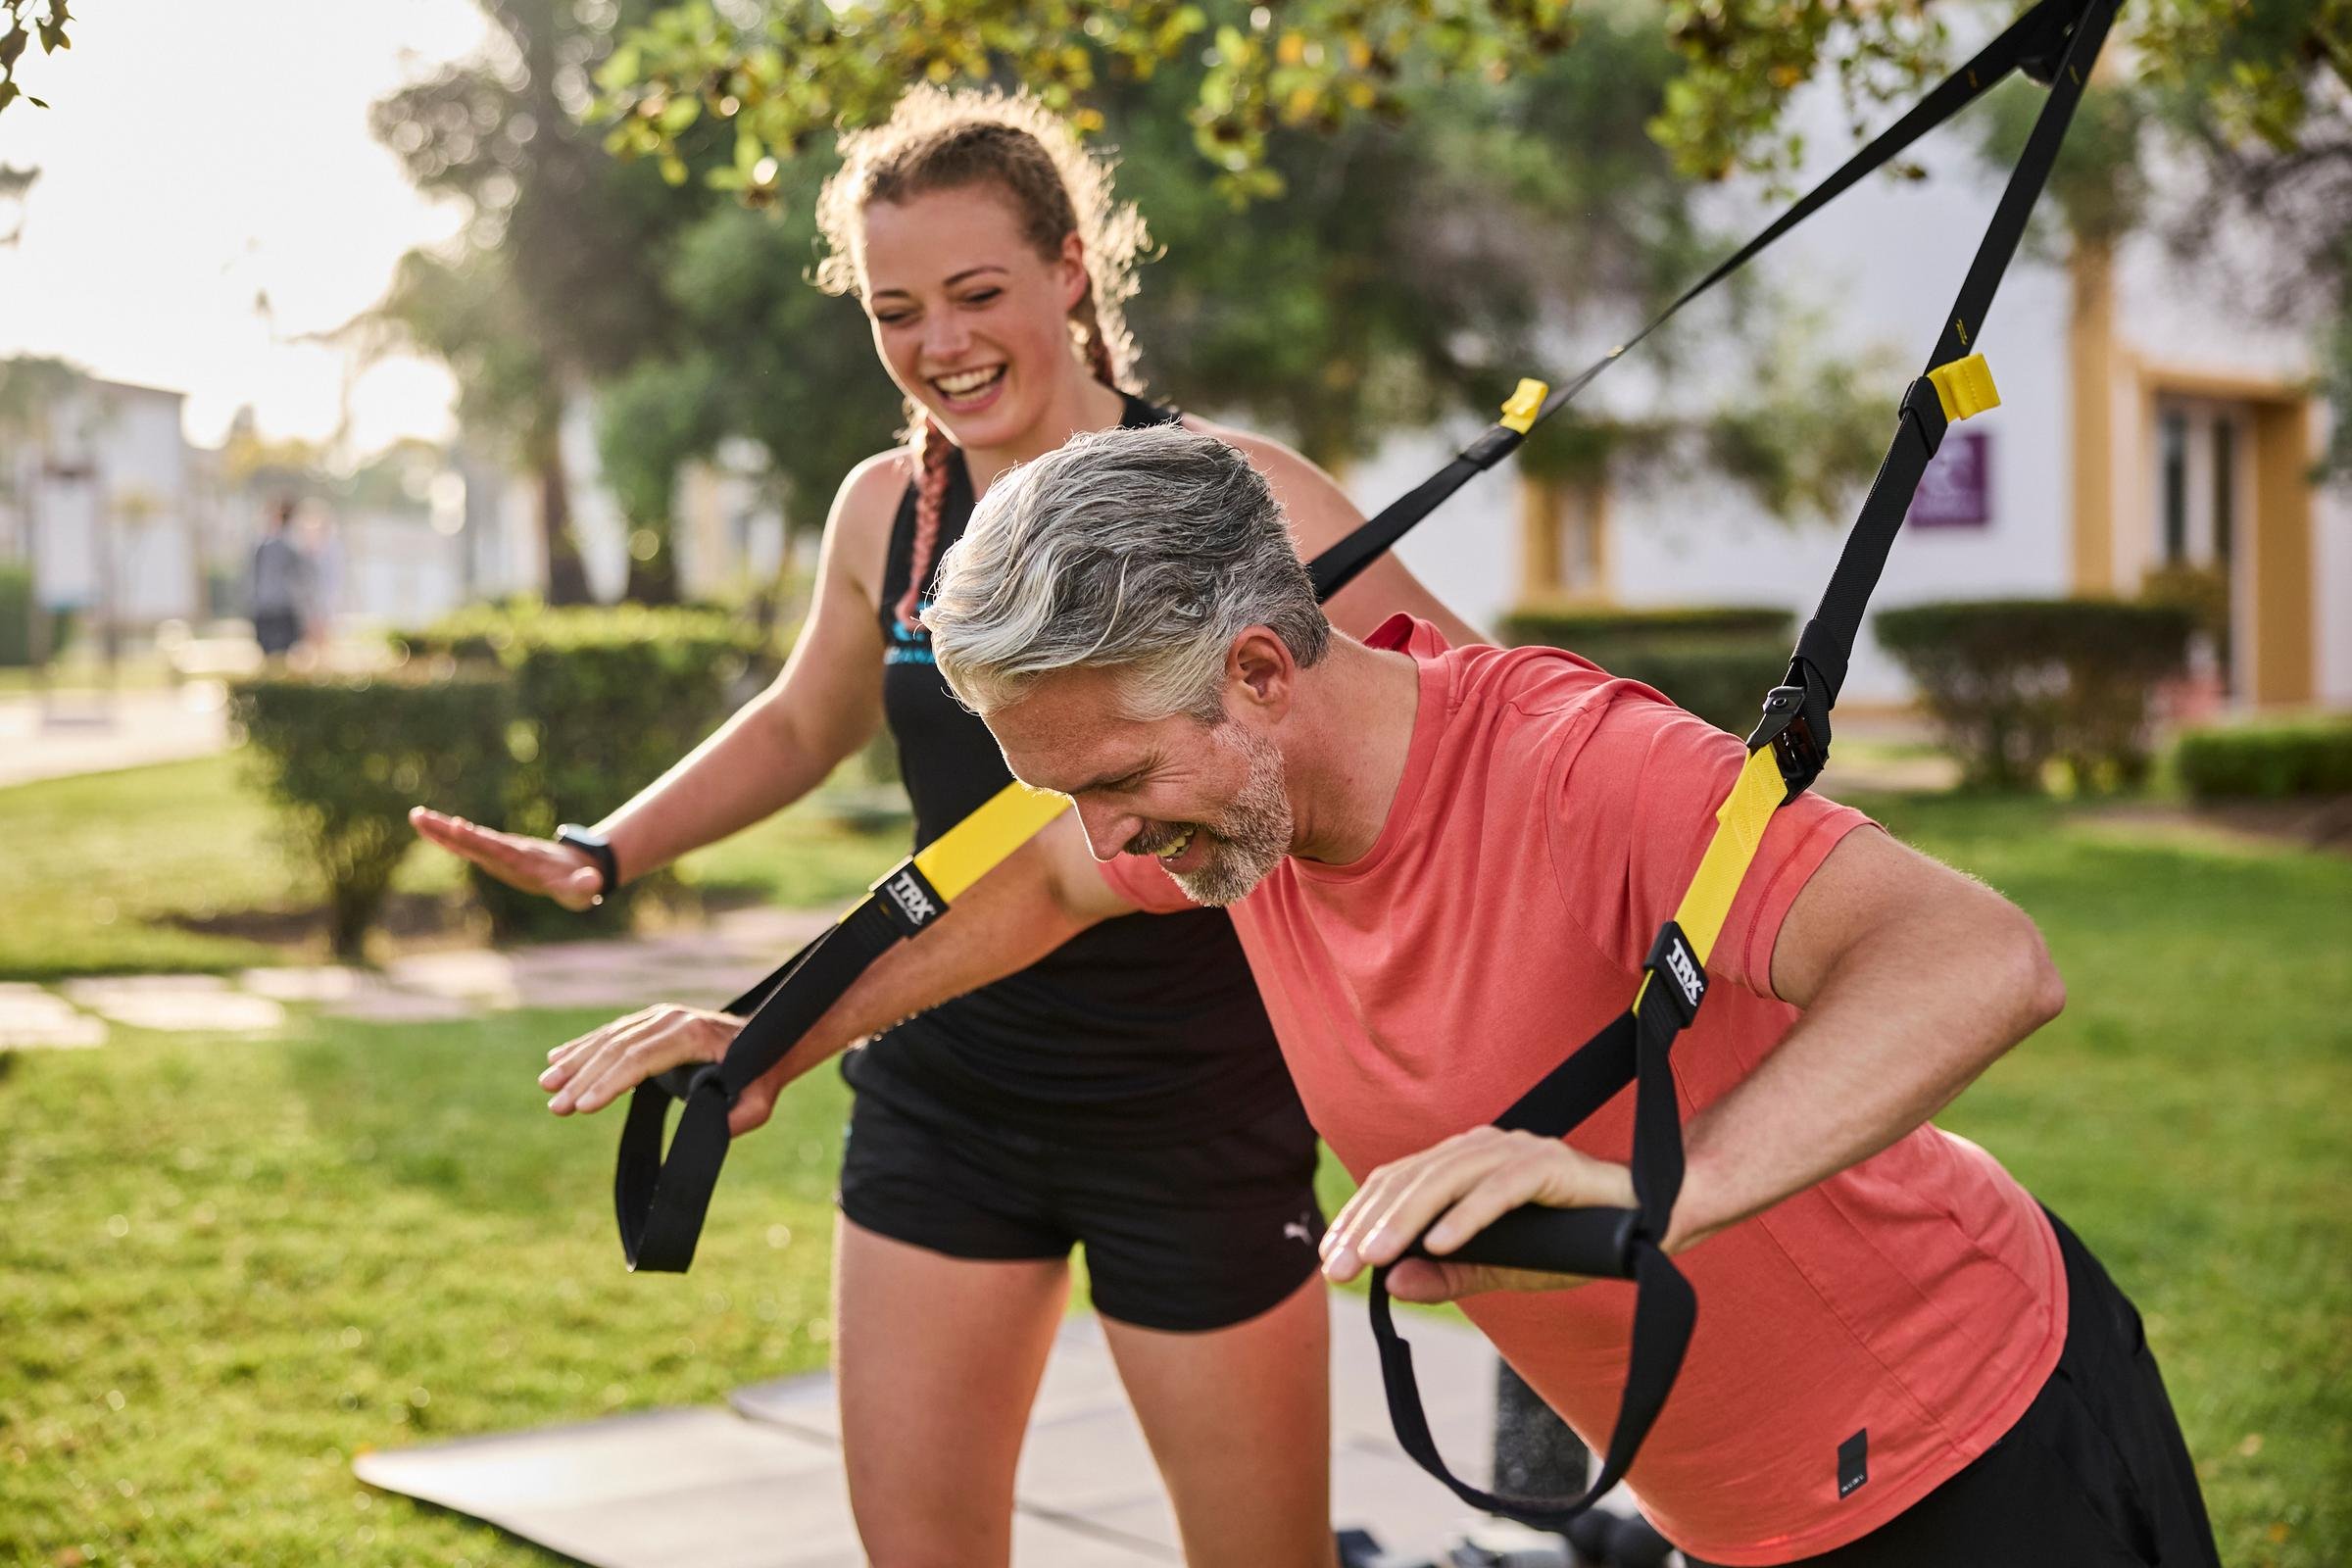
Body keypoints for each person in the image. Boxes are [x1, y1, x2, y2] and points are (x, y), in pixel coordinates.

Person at [623, 420, 2209, 1568]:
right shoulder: (1224, 811)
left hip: (1979, 1446)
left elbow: (1979, 955)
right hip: (1731, 1509)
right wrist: (773, 1033)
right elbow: (1035, 881)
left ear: (1260, 670)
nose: (1111, 841)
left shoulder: (1577, 767)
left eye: (1115, 779)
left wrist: (1649, 1188)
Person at [412, 89, 1479, 1568]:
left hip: (1201, 1105)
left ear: (1069, 272)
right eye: (895, 308)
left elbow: (1470, 722)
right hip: (947, 1101)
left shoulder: (1234, 499)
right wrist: (608, 849)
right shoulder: (888, 513)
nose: (940, 344)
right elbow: (804, 721)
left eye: (978, 293)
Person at [248, 497, 311, 661]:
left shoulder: (266, 545)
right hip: (278, 605)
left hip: (272, 604)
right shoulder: (290, 545)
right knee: (279, 651)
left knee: (275, 652)